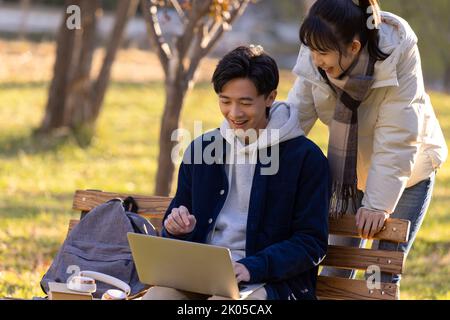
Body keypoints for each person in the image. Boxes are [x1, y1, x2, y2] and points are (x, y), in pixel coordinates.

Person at [142, 46, 331, 300]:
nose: (234, 113)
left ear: (270, 97)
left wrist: (251, 267)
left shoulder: (305, 159)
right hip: (202, 275)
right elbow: (180, 217)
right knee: (157, 297)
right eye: (225, 101)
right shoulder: (201, 150)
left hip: (271, 282)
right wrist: (177, 228)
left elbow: (311, 242)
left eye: (245, 102)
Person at [286, 0, 448, 284]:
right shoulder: (317, 53)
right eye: (311, 50)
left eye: (322, 53)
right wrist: (255, 152)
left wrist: (377, 205)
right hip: (348, 178)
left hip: (408, 174)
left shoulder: (398, 54)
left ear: (354, 47)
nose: (316, 59)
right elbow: (293, 118)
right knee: (335, 271)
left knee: (379, 276)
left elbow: (398, 137)